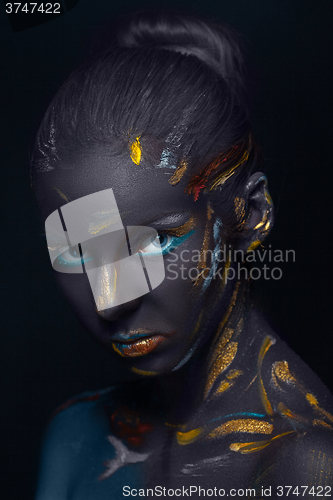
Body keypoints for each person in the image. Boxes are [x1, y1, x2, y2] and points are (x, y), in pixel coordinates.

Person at [32, 11, 333, 499]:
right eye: (77, 252)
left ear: (251, 212)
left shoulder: (303, 463)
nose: (111, 301)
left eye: (151, 241)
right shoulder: (76, 436)